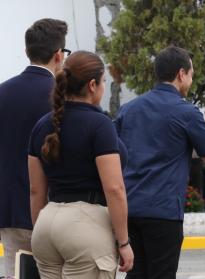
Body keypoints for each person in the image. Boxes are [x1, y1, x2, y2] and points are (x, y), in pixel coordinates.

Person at [115, 45, 205, 279]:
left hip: (129, 208)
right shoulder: (187, 112)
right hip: (163, 212)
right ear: (181, 74)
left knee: (136, 275)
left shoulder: (128, 109)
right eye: (191, 74)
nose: (191, 80)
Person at [28, 51, 134, 278]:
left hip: (46, 223)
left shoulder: (41, 126)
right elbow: (114, 189)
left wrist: (41, 229)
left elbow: (36, 190)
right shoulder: (99, 124)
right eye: (104, 81)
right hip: (86, 224)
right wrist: (123, 241)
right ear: (93, 85)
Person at [0, 18, 68, 278]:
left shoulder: (3, 92)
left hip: (10, 211)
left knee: (15, 272)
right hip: (53, 210)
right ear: (58, 55)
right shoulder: (62, 96)